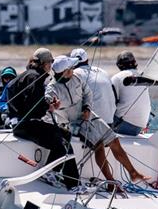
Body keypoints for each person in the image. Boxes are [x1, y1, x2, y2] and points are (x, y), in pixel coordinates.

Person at [45, 55, 149, 188]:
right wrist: (53, 105)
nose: (73, 69)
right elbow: (48, 102)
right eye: (71, 68)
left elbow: (88, 94)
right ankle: (111, 182)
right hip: (72, 123)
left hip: (88, 115)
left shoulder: (76, 78)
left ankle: (133, 173)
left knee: (114, 139)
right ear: (64, 72)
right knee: (99, 146)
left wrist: (87, 107)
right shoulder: (52, 88)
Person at [8, 48, 80, 189]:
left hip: (20, 124)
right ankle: (73, 184)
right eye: (51, 62)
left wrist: (48, 106)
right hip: (28, 125)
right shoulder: (37, 77)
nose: (51, 65)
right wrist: (49, 108)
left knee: (65, 134)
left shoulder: (24, 75)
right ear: (44, 63)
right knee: (62, 143)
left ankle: (51, 172)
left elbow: (21, 97)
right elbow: (33, 107)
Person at [70, 48, 116, 125]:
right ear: (87, 60)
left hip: (92, 124)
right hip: (109, 121)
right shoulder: (103, 71)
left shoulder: (74, 73)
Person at [111, 51, 151, 136]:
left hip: (122, 125)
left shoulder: (117, 78)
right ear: (135, 63)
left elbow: (110, 103)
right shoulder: (142, 76)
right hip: (140, 126)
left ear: (119, 65)